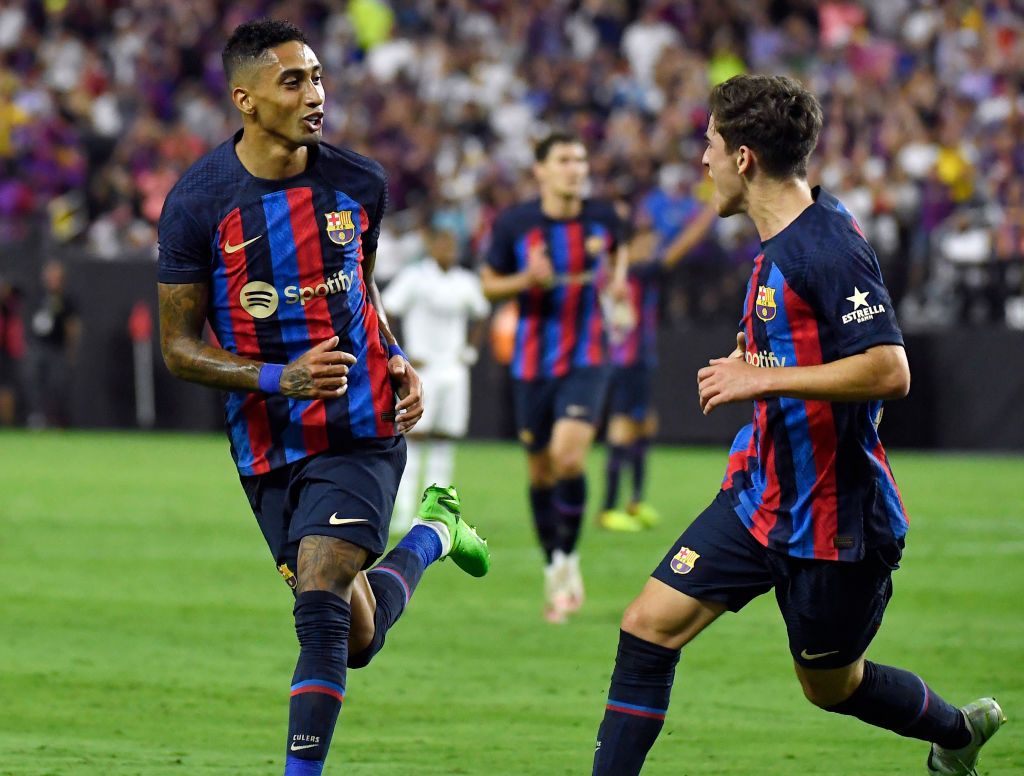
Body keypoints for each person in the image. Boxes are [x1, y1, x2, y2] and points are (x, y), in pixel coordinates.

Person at [592, 74, 1004, 776]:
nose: (703, 161)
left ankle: (956, 735)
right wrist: (754, 362)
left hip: (835, 524)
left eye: (710, 144)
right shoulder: (784, 236)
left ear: (744, 158)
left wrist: (761, 377)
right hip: (759, 499)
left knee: (829, 686)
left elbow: (889, 370)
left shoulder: (827, 247)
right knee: (646, 629)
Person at [156, 20, 490, 776]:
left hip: (359, 421)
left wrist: (396, 356)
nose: (316, 94)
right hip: (269, 438)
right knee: (355, 636)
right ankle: (435, 533)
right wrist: (280, 377)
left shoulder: (359, 181)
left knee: (318, 600)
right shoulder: (197, 204)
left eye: (317, 77)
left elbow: (360, 286)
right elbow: (178, 350)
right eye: (294, 81)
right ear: (245, 99)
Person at [481, 131, 627, 623]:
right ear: (540, 170)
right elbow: (488, 284)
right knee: (540, 470)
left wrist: (620, 284)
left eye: (581, 159)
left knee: (568, 457)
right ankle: (554, 564)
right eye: (565, 159)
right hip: (530, 363)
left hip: (588, 354)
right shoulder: (516, 224)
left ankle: (568, 557)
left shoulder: (603, 217)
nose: (576, 168)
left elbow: (621, 256)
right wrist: (527, 281)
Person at [599, 197, 716, 532]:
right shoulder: (636, 273)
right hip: (627, 362)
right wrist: (711, 210)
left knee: (644, 426)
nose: (652, 246)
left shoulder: (633, 273)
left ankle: (634, 503)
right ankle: (608, 509)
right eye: (645, 241)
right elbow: (682, 246)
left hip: (640, 360)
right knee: (623, 428)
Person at [382, 224, 490, 534]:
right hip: (422, 369)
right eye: (443, 245)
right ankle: (402, 512)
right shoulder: (415, 277)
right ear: (431, 247)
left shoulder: (465, 281)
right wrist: (401, 351)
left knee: (445, 439)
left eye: (452, 246)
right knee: (413, 439)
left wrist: (470, 349)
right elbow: (386, 310)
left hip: (453, 371)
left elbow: (481, 313)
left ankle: (436, 514)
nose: (449, 251)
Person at [25, 260, 80, 428]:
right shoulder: (38, 296)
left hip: (58, 348)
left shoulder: (66, 299)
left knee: (58, 384)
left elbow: (72, 326)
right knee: (34, 380)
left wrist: (71, 349)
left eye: (55, 277)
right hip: (38, 347)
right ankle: (37, 417)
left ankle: (57, 419)